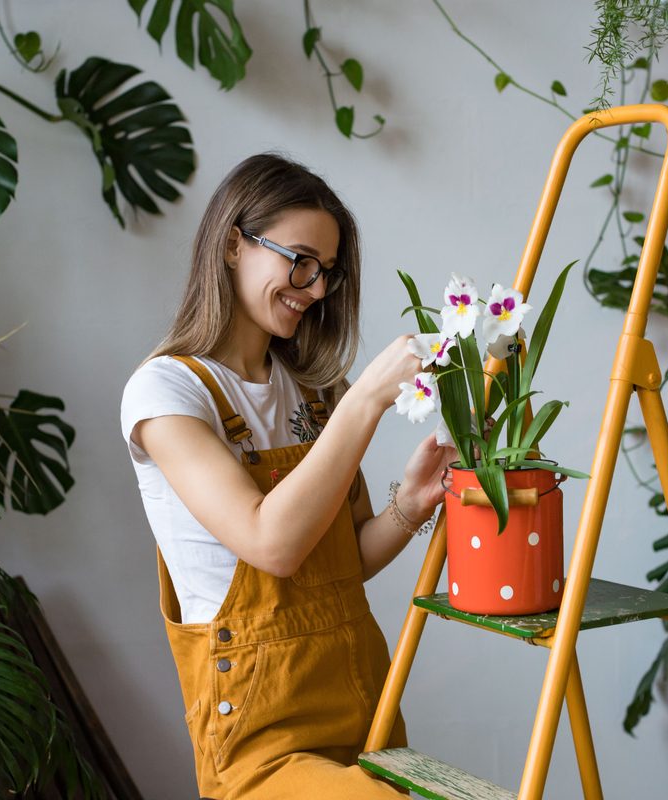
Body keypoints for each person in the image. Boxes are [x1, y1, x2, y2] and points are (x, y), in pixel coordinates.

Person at [120, 153, 455, 799]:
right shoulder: (165, 392)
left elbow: (341, 563)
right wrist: (365, 404)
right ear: (232, 246)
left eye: (327, 271)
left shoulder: (317, 390)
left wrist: (409, 507)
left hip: (359, 692)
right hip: (258, 729)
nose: (317, 287)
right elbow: (271, 545)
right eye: (301, 260)